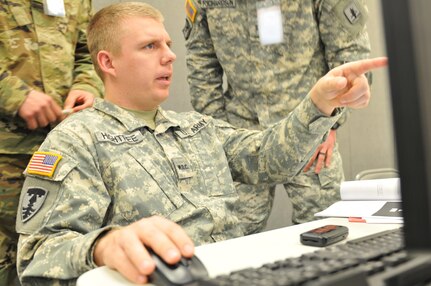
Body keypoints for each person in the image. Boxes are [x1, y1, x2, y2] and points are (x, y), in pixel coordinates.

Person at [15, 2, 386, 285]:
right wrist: (103, 245)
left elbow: (270, 157)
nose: (170, 54)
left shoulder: (196, 128)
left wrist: (318, 104)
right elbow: (35, 255)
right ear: (108, 62)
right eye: (149, 46)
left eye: (168, 44)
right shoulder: (78, 140)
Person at [183, 0, 372, 231]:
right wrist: (218, 135)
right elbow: (201, 64)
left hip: (310, 131)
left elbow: (350, 58)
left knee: (326, 231)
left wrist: (330, 121)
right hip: (241, 135)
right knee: (231, 235)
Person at [0, 1, 103, 284]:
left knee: (55, 253)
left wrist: (87, 85)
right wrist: (13, 94)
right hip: (6, 152)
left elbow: (87, 51)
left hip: (62, 150)